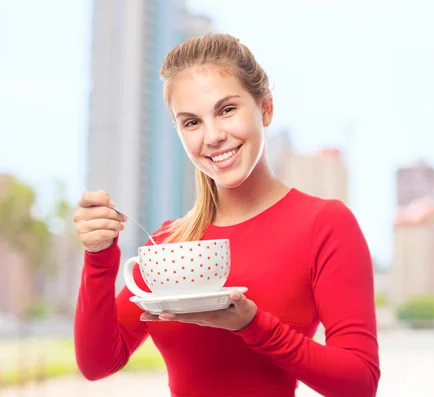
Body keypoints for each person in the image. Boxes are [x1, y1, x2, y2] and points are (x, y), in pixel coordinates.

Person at [73, 33, 380, 397]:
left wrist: (252, 325)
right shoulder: (171, 245)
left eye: (227, 110)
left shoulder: (324, 224)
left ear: (265, 108)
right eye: (191, 122)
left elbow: (359, 383)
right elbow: (97, 363)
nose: (213, 136)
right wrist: (99, 257)